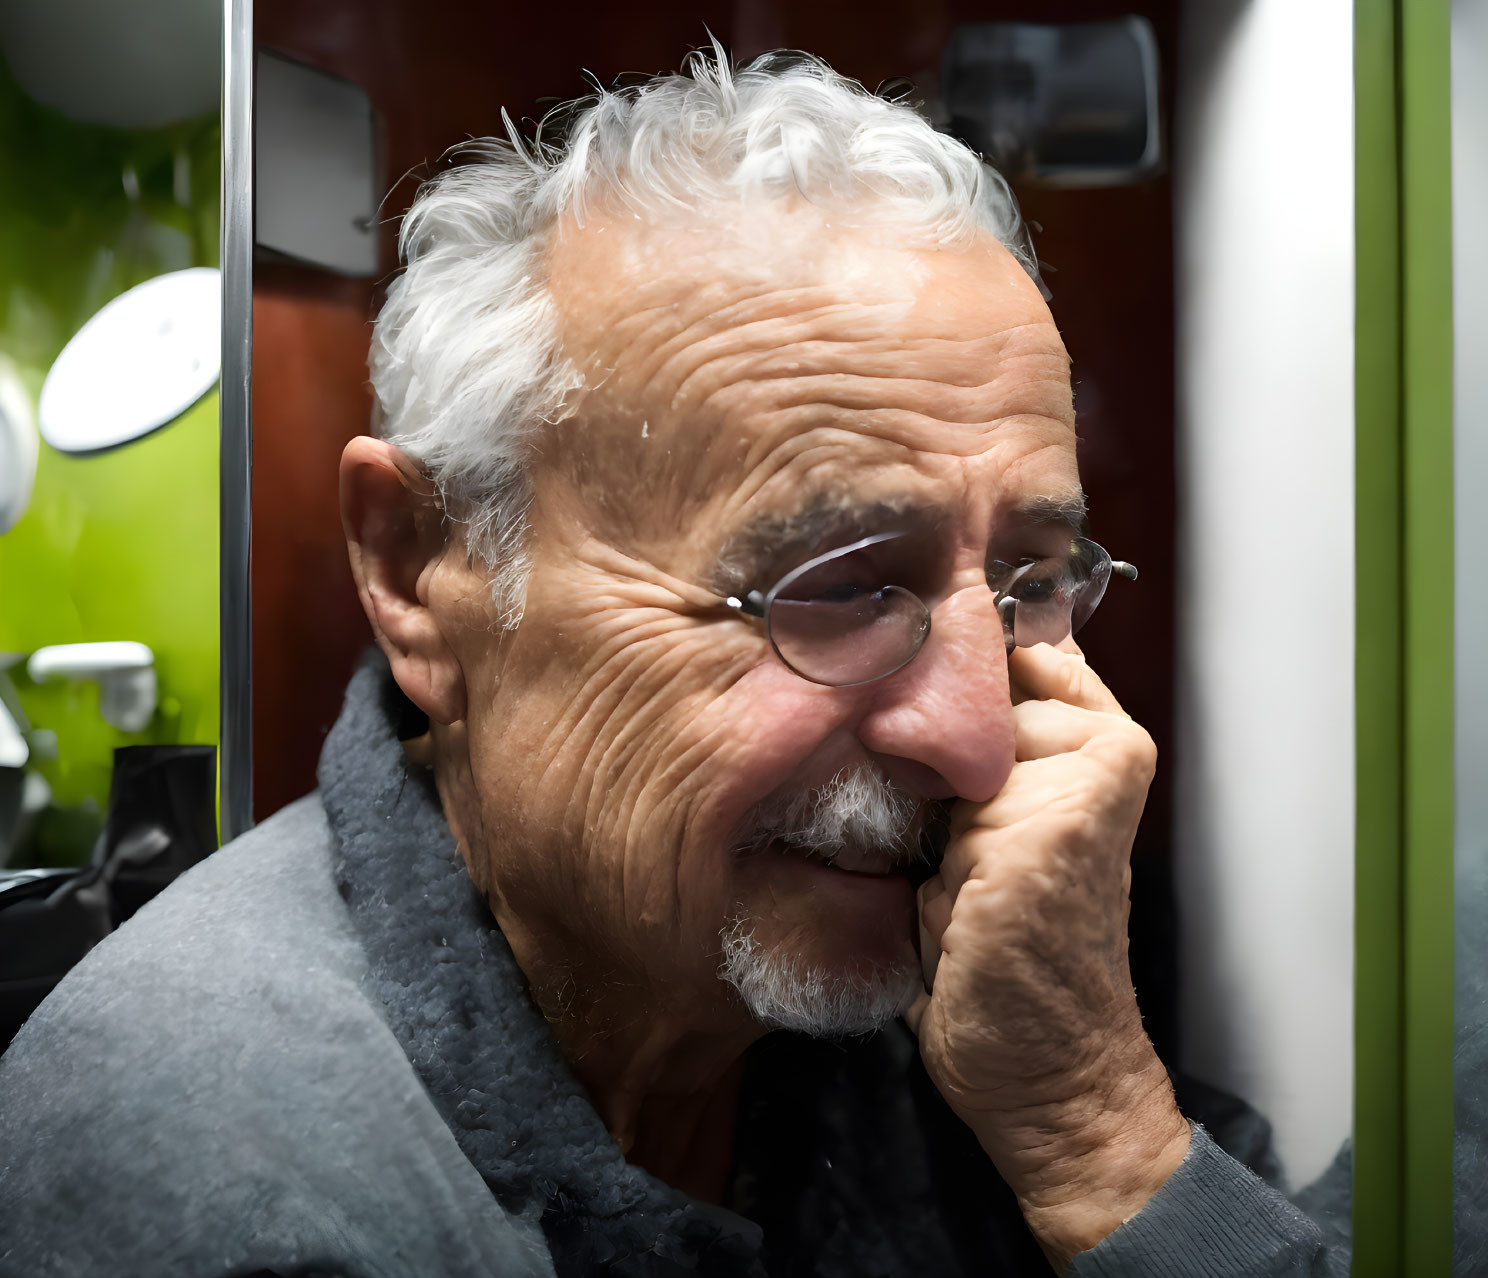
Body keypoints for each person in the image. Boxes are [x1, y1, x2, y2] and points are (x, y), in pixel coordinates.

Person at [0, 47, 1342, 1276]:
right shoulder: (218, 1176)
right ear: (421, 572)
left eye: (1028, 583)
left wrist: (1093, 1128)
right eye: (838, 585)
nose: (981, 738)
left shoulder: (984, 980)